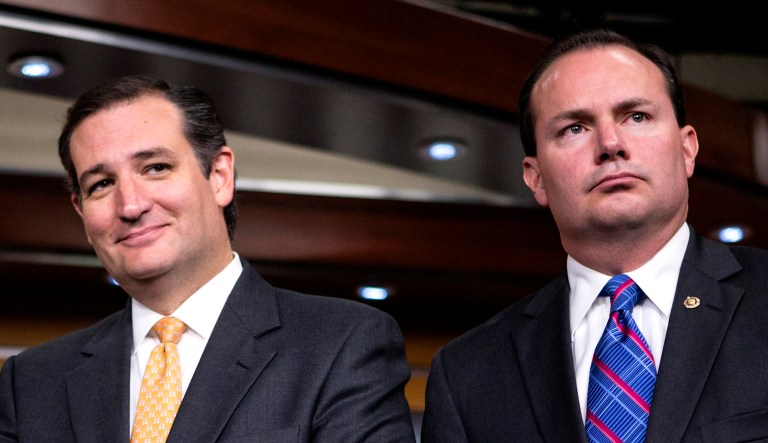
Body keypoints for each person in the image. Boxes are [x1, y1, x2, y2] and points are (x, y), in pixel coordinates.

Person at [0, 75, 416, 442]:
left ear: (219, 177)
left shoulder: (342, 344)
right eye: (102, 184)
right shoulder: (32, 383)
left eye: (156, 167)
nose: (130, 205)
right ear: (81, 211)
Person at [421, 28, 768, 442]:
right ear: (536, 178)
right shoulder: (468, 376)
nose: (610, 144)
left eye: (636, 116)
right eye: (574, 128)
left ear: (687, 148)